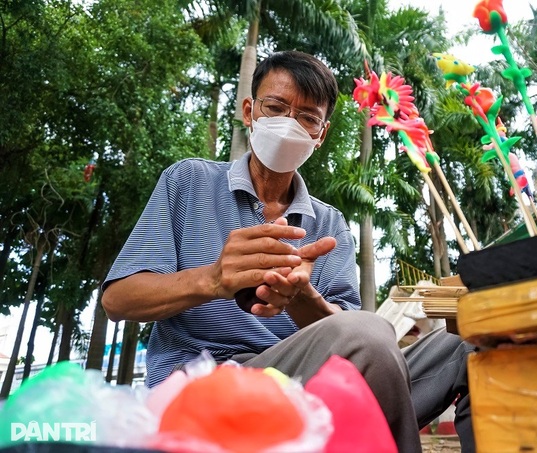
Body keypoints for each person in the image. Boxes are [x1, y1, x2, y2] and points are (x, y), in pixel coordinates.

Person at [102, 50, 475, 453]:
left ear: (321, 134)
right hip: (206, 383)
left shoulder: (328, 224)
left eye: (307, 117)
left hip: (307, 382)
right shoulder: (188, 182)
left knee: (473, 340)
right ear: (249, 111)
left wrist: (301, 298)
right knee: (368, 334)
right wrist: (211, 279)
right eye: (276, 107)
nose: (288, 125)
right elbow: (117, 300)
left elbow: (355, 339)